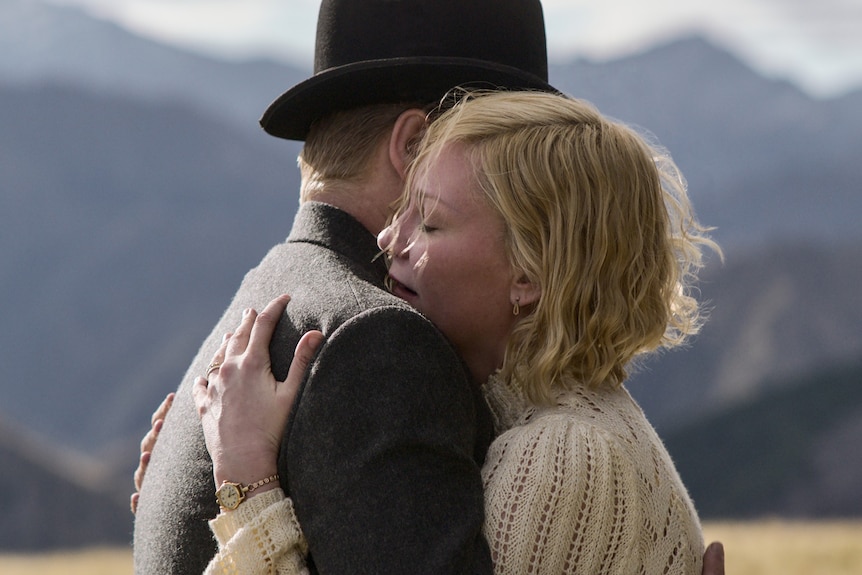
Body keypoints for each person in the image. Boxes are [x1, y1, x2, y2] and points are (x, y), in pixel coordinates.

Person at [141, 90, 727, 574]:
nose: (388, 241)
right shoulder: (548, 425)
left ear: (529, 274)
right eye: (402, 212)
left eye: (429, 222)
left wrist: (246, 485)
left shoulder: (562, 456)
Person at [132, 1, 559, 573]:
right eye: (509, 148)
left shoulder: (258, 307)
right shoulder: (377, 345)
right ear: (415, 147)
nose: (541, 186)